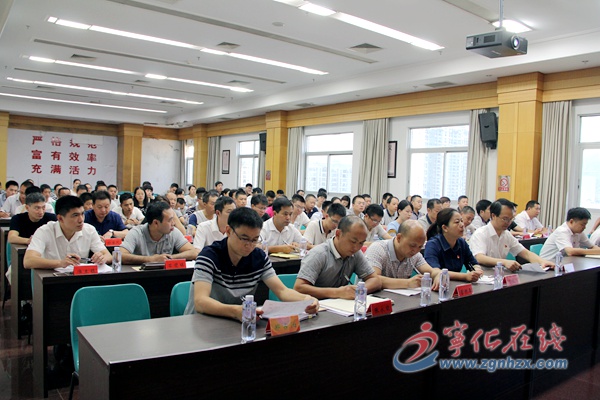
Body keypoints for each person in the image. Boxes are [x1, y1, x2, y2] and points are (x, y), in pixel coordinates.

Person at [185, 207, 318, 319]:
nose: (249, 245)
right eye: (244, 238)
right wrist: (235, 311)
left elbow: (282, 291)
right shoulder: (209, 256)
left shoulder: (259, 257)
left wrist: (306, 299)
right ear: (229, 231)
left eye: (255, 240)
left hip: (237, 321)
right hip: (202, 322)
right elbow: (200, 301)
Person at [293, 216, 382, 299]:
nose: (356, 247)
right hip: (316, 305)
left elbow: (375, 280)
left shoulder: (356, 254)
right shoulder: (319, 254)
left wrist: (357, 291)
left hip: (339, 305)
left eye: (361, 243)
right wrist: (337, 292)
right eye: (353, 241)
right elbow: (299, 288)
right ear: (338, 234)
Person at [23, 195, 112, 269]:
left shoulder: (89, 230)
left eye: (82, 214)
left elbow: (108, 256)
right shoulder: (44, 231)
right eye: (75, 215)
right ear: (60, 218)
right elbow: (28, 261)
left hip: (79, 279)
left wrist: (102, 258)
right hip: (51, 280)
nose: (81, 220)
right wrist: (60, 263)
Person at [469, 199, 554, 271]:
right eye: (505, 219)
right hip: (482, 276)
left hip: (499, 275)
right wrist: (504, 262)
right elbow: (479, 257)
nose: (508, 223)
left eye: (511, 219)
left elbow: (525, 253)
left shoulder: (506, 234)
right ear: (493, 216)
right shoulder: (481, 233)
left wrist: (542, 261)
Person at [365, 220, 441, 289]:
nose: (415, 250)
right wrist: (407, 283)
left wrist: (437, 275)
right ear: (399, 238)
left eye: (420, 247)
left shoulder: (415, 255)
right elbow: (373, 279)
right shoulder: (378, 249)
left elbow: (432, 272)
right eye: (412, 245)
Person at [120, 202, 198, 264]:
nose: (173, 223)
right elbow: (120, 255)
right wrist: (150, 259)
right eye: (170, 220)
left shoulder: (173, 232)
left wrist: (170, 258)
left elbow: (193, 252)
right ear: (156, 223)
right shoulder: (136, 233)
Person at [424, 208, 483, 283]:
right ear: (445, 228)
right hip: (439, 286)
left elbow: (474, 263)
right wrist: (465, 276)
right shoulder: (432, 245)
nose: (462, 225)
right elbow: (435, 272)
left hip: (456, 285)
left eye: (461, 221)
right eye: (457, 222)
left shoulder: (461, 243)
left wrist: (477, 270)